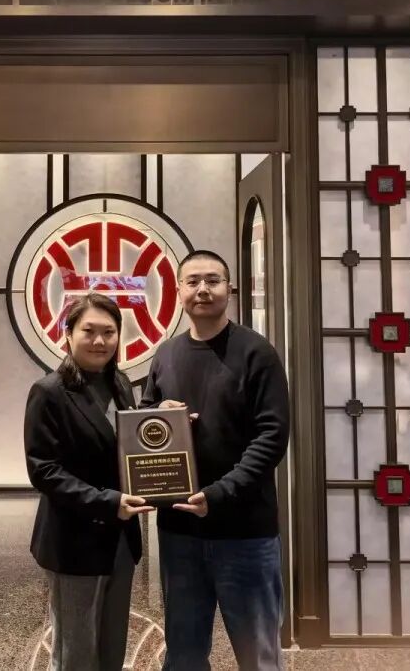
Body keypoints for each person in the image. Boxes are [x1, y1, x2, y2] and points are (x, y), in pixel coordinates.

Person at [141, 250, 290, 671]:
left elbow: (272, 437)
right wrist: (158, 415)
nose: (202, 289)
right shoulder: (166, 354)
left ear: (230, 289)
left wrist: (219, 494)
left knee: (259, 656)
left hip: (246, 533)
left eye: (213, 280)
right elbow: (144, 423)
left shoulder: (257, 352)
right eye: (192, 282)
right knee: (184, 654)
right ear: (178, 291)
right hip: (180, 532)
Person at [24, 292, 153, 671]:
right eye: (89, 331)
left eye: (109, 332)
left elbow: (125, 445)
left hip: (121, 539)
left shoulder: (121, 384)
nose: (100, 341)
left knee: (112, 646)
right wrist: (108, 502)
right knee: (76, 652)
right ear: (68, 334)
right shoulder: (49, 392)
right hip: (74, 540)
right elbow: (43, 470)